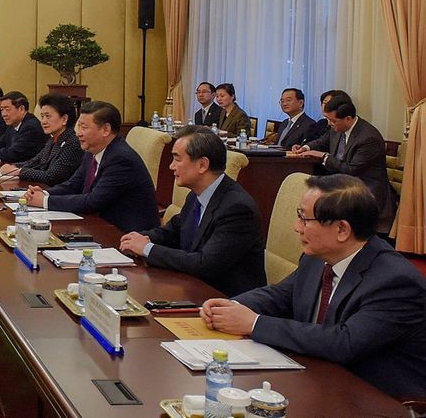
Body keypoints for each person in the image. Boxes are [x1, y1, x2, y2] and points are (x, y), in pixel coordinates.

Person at [201, 175, 426, 399]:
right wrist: (230, 307)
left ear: (342, 230)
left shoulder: (395, 281)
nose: (296, 227)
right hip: (319, 379)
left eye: (304, 219)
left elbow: (344, 342)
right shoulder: (317, 258)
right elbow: (280, 295)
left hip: (378, 398)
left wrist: (254, 323)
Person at [120, 126, 266, 296]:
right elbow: (174, 231)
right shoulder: (195, 196)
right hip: (192, 287)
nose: (171, 166)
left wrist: (147, 249)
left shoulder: (237, 209)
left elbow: (205, 264)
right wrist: (140, 239)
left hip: (225, 299)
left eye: (177, 159)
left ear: (202, 165)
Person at [25, 101, 159, 233]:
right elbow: (74, 184)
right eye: (78, 127)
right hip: (99, 225)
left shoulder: (121, 159)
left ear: (106, 130)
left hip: (125, 235)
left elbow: (92, 201)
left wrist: (45, 201)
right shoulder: (93, 150)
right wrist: (45, 193)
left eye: (84, 127)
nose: (78, 133)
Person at [290, 97, 395, 233]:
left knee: (319, 202)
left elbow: (350, 170)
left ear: (348, 119)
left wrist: (324, 156)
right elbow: (322, 141)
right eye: (328, 119)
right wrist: (305, 148)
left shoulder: (369, 138)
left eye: (333, 121)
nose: (329, 124)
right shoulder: (337, 127)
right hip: (343, 183)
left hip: (364, 190)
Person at [2, 93, 82, 187]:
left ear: (64, 119)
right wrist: (13, 166)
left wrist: (19, 171)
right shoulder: (53, 139)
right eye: (42, 116)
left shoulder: (73, 142)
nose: (43, 121)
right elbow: (35, 161)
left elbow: (51, 176)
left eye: (48, 116)